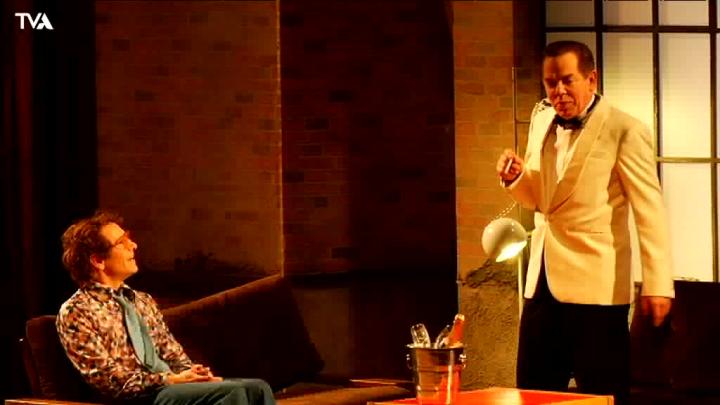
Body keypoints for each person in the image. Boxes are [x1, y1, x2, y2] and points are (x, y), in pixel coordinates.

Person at [496, 41, 674, 404]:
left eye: (568, 80)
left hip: (597, 290)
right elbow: (541, 200)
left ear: (591, 79)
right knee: (532, 393)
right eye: (551, 83)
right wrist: (516, 179)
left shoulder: (624, 129)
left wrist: (658, 284)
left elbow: (650, 210)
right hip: (542, 284)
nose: (559, 91)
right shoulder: (541, 121)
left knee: (601, 396)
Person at [56, 210, 275, 405]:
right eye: (122, 242)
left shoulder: (142, 301)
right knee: (233, 393)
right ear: (98, 261)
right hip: (136, 397)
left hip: (169, 387)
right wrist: (169, 379)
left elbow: (172, 353)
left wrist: (192, 374)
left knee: (257, 388)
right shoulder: (76, 311)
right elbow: (108, 379)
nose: (134, 245)